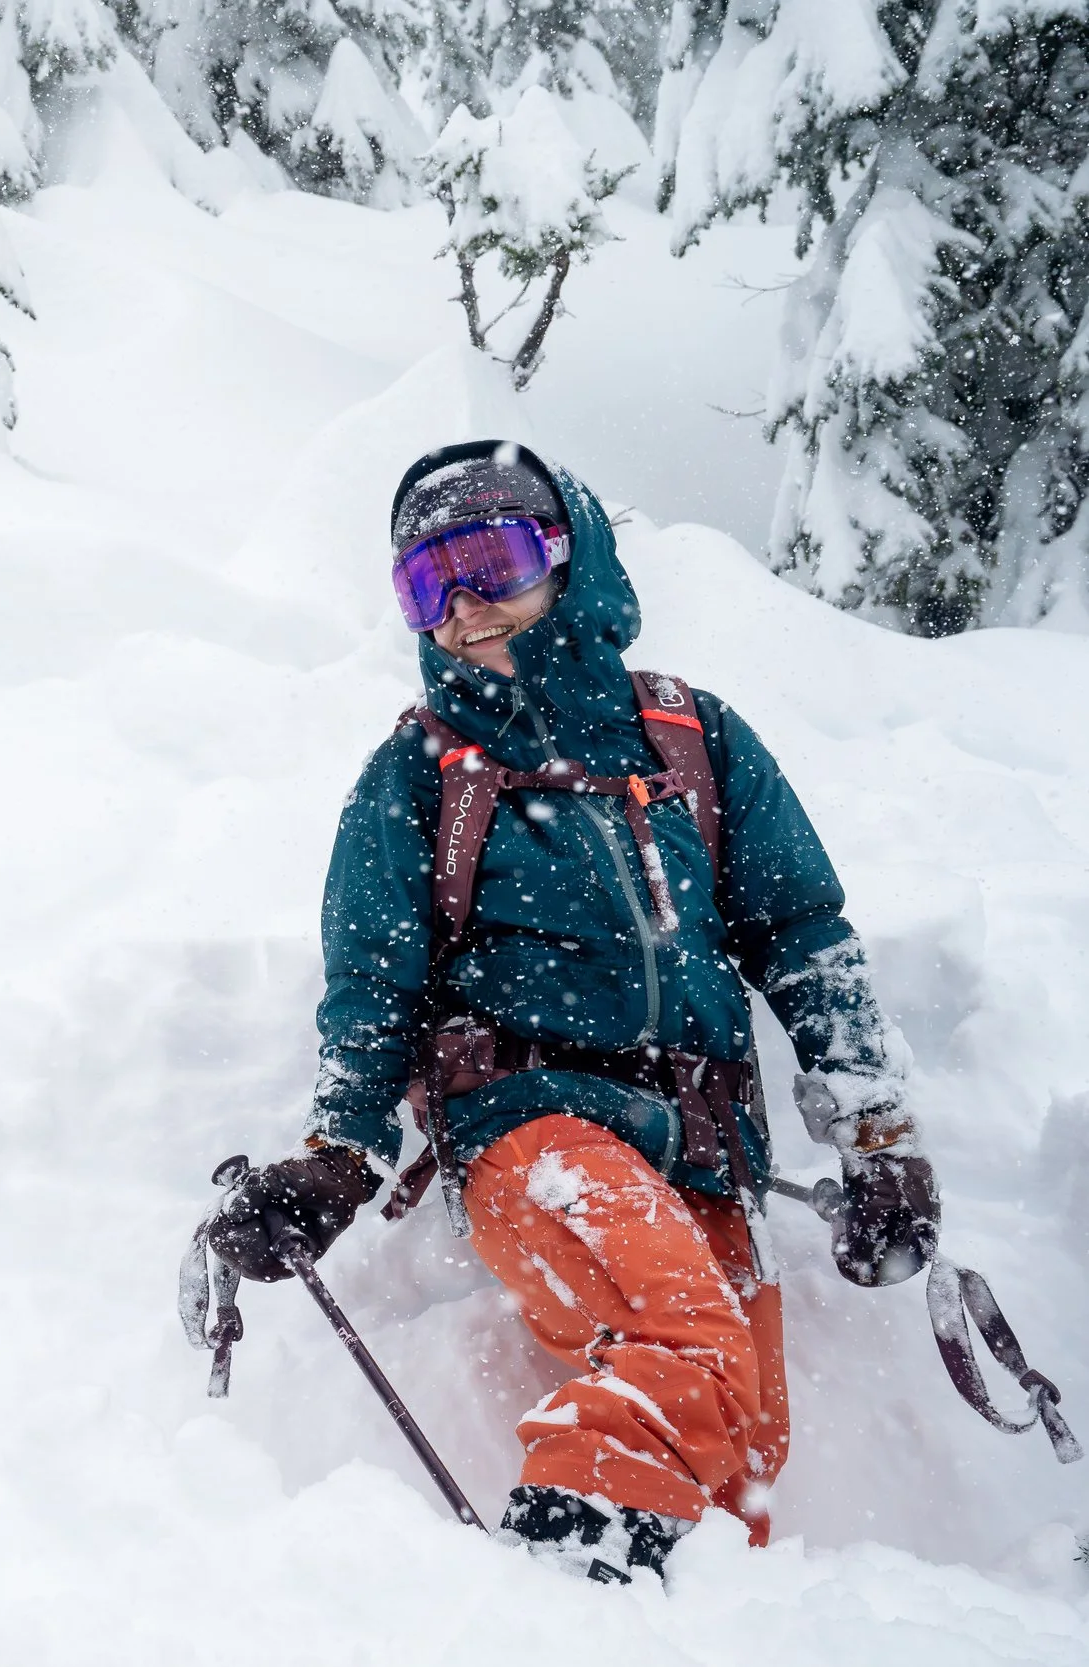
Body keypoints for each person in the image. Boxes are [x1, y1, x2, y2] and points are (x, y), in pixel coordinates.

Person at [203, 441, 940, 1583]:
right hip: (532, 1128)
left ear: (571, 558)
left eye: (487, 562)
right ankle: (567, 1598)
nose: (459, 608)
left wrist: (879, 1134)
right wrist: (336, 1157)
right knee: (684, 1340)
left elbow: (800, 935)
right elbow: (371, 994)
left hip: (704, 1153)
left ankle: (695, 1622)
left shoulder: (691, 739)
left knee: (743, 1444)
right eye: (423, 585)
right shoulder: (416, 775)